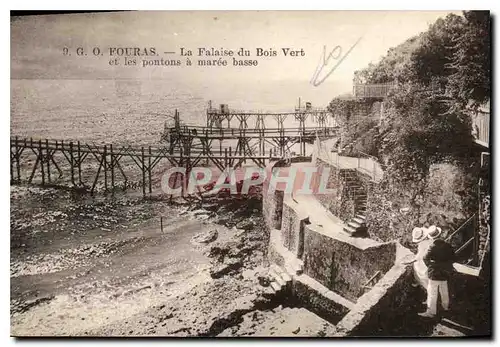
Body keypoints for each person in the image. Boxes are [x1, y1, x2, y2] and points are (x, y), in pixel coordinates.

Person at [419, 225, 455, 318]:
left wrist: (431, 266)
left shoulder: (432, 246)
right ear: (440, 234)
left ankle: (431, 312)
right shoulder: (447, 245)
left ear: (432, 237)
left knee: (432, 292)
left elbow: (425, 258)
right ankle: (445, 307)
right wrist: (447, 265)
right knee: (444, 290)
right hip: (445, 271)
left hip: (434, 272)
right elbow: (453, 258)